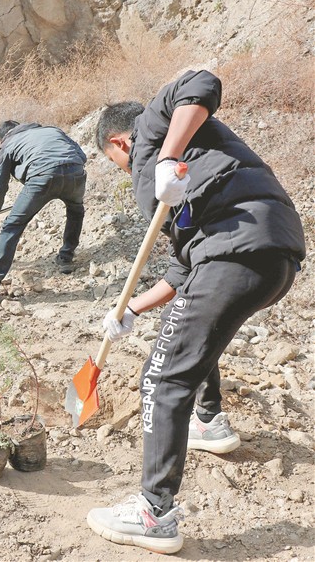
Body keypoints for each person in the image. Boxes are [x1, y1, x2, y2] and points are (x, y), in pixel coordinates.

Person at [87, 70, 305, 554]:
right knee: (189, 334)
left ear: (119, 143)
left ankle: (154, 513)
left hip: (237, 249)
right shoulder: (188, 178)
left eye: (114, 161)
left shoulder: (151, 128)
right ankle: (207, 420)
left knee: (161, 377)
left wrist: (165, 157)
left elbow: (201, 82)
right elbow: (183, 270)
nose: (123, 170)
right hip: (268, 258)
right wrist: (131, 308)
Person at [0, 120, 87, 302]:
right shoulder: (52, 130)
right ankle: (66, 258)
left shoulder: (8, 144)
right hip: (75, 172)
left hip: (41, 178)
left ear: (2, 138)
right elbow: (82, 155)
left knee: (12, 226)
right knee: (76, 210)